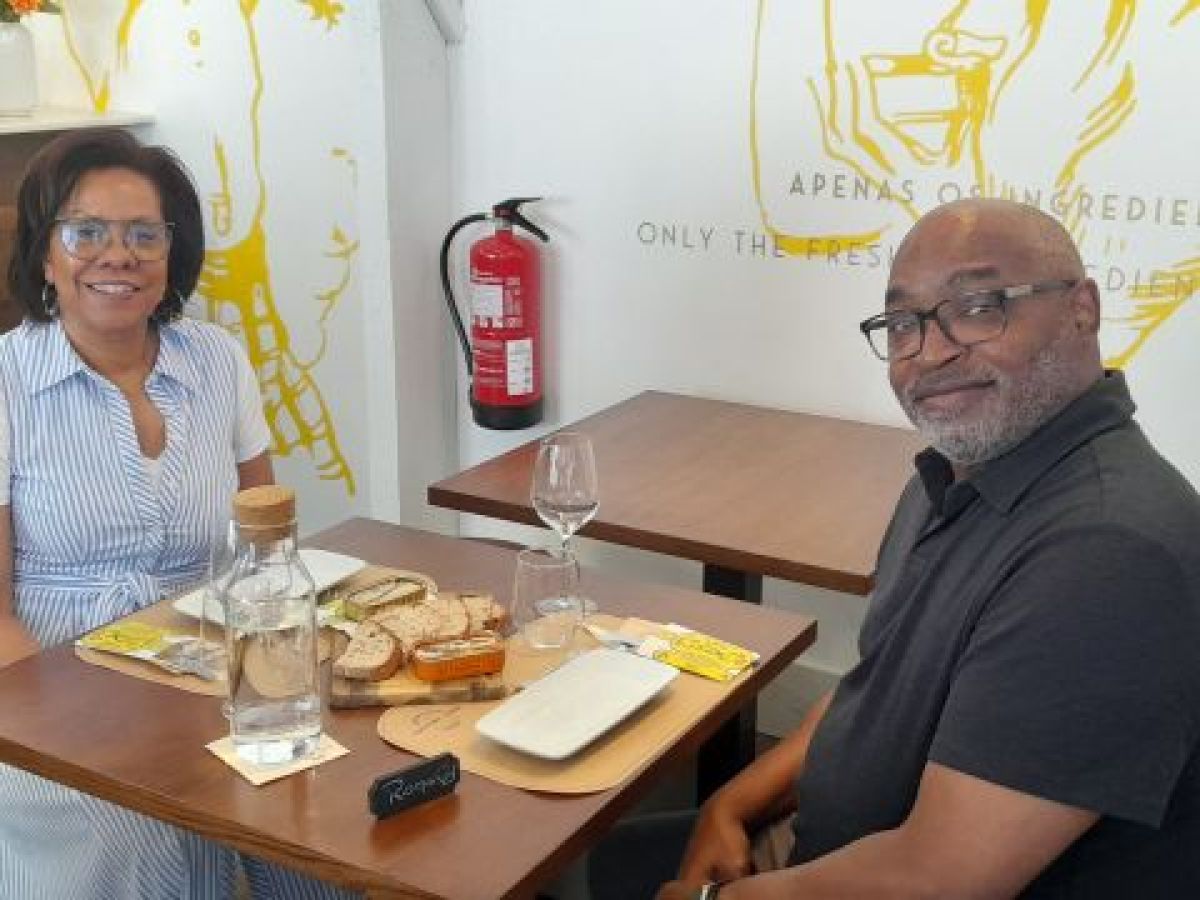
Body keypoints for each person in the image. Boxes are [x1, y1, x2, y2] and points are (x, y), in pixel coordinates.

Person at [590, 198, 1200, 899]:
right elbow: (875, 691)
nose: (930, 352)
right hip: (829, 847)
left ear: (1081, 310)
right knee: (602, 857)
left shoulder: (1106, 554)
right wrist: (733, 804)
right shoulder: (956, 477)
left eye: (979, 306)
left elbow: (938, 879)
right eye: (904, 322)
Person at [0, 128, 355, 899]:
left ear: (173, 252)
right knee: (138, 830)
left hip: (210, 669)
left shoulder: (215, 358)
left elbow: (268, 545)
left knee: (324, 830)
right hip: (58, 688)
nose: (117, 254)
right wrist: (79, 734)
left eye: (143, 234)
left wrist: (272, 682)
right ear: (45, 254)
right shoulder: (5, 383)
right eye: (86, 231)